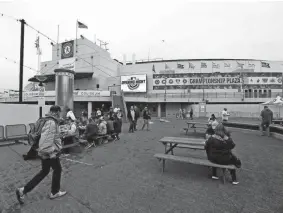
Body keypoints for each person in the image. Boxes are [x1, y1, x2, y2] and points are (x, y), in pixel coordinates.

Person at [16, 105, 66, 204]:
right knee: (58, 169)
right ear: (56, 112)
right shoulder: (51, 122)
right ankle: (54, 192)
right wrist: (51, 152)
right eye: (60, 112)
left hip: (46, 152)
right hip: (50, 152)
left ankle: (23, 190)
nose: (61, 114)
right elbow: (46, 141)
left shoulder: (46, 120)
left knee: (44, 171)